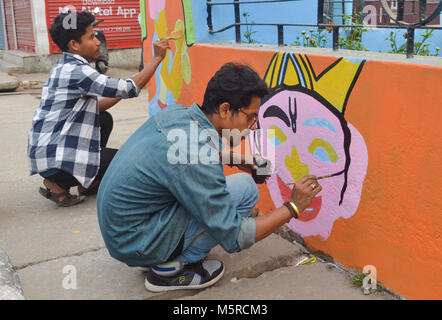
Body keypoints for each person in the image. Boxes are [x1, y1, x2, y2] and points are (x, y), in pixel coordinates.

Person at [97, 62, 322, 292]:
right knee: (240, 199)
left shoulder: (177, 114)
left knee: (244, 186)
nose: (252, 127)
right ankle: (169, 269)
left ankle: (161, 253)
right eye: (250, 118)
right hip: (134, 242)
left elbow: (181, 154)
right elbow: (235, 237)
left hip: (123, 231)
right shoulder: (197, 158)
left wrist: (234, 158)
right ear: (225, 109)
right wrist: (293, 207)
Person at [27, 10, 170, 207]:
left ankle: (85, 182)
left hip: (47, 153)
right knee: (127, 160)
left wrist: (123, 90)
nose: (97, 42)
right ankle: (62, 181)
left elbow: (95, 105)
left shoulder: (63, 66)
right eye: (91, 37)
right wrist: (156, 58)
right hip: (56, 158)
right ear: (74, 45)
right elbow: (128, 88)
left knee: (103, 118)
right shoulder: (79, 71)